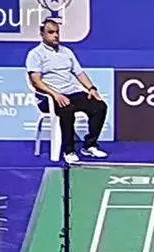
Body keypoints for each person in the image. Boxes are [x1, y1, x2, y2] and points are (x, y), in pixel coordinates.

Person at [25, 19, 109, 165]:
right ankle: (69, 150)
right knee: (67, 110)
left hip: (71, 92)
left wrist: (91, 89)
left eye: (57, 32)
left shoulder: (67, 52)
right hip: (49, 97)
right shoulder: (35, 54)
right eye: (51, 32)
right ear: (42, 34)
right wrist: (55, 95)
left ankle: (89, 146)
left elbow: (79, 73)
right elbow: (36, 81)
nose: (55, 35)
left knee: (99, 106)